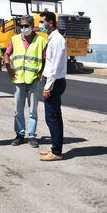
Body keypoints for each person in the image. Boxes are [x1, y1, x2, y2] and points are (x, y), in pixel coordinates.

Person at [4, 15, 46, 148]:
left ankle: (32, 136)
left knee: (33, 110)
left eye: (26, 26)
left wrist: (41, 72)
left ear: (32, 26)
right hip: (18, 79)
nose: (23, 28)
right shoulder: (15, 39)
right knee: (18, 109)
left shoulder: (41, 41)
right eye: (21, 26)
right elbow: (6, 54)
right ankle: (20, 135)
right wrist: (9, 68)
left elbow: (45, 59)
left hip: (33, 79)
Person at [38, 11, 67, 161]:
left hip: (54, 82)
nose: (40, 25)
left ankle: (56, 152)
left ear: (50, 22)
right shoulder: (53, 38)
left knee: (52, 117)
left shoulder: (56, 40)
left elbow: (54, 66)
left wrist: (47, 86)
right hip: (54, 81)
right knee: (55, 115)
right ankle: (55, 146)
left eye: (42, 22)